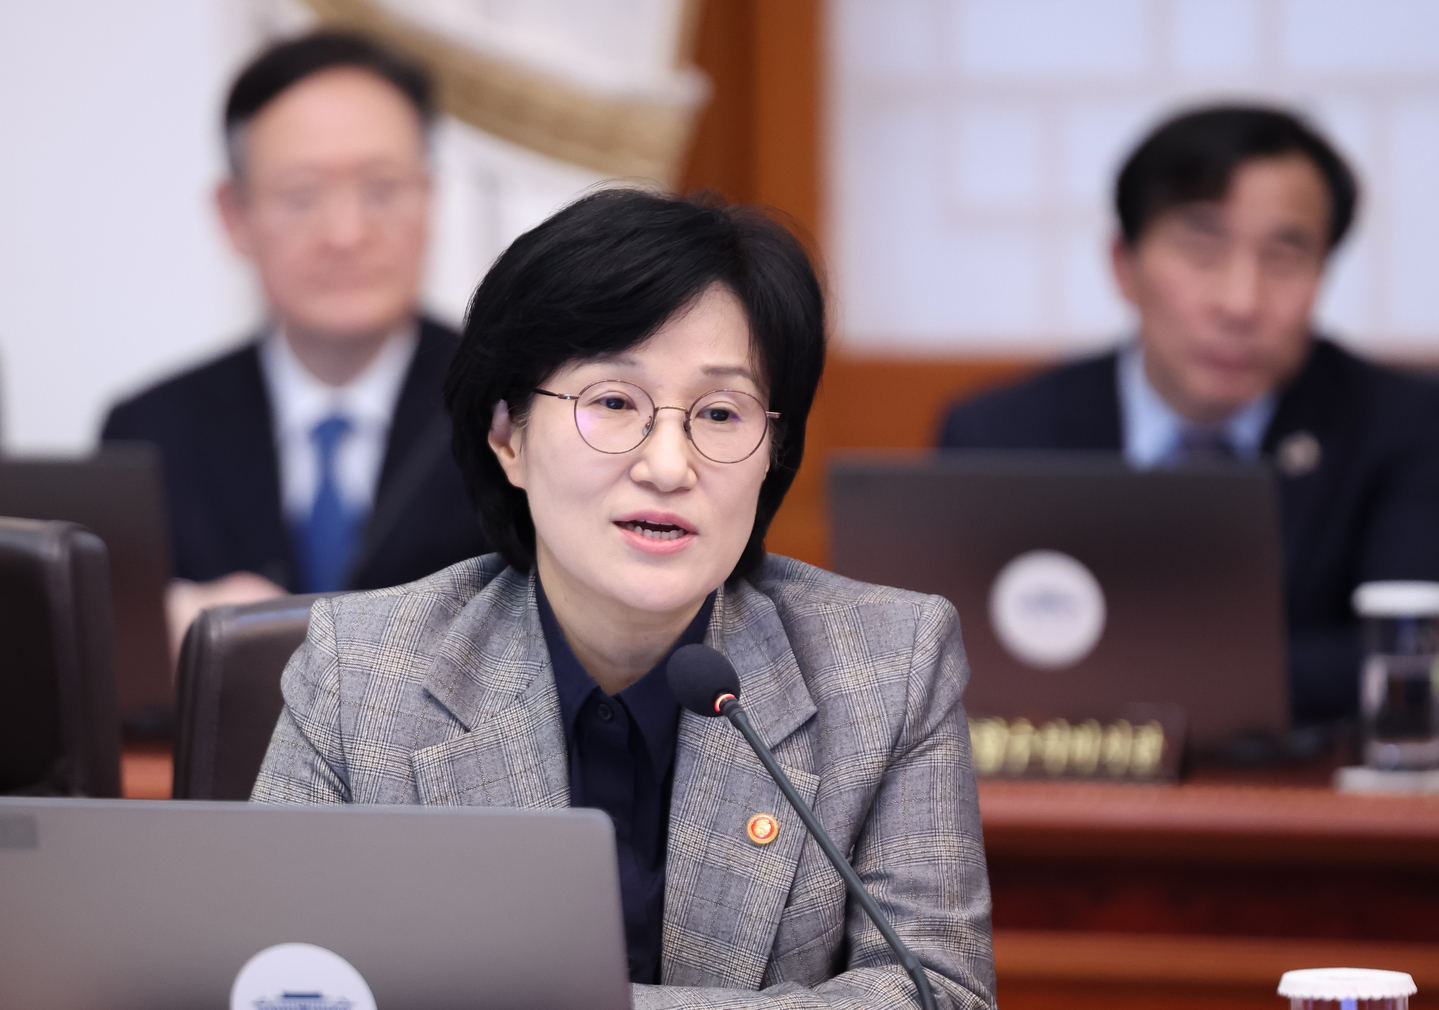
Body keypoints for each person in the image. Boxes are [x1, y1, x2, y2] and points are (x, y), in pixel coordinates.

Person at [252, 189, 997, 1008]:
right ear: (508, 437)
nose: (669, 465)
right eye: (613, 403)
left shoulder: (888, 666)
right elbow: (279, 981)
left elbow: (942, 995)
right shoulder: (363, 674)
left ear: (770, 455)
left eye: (719, 412)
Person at [939, 104, 1439, 727]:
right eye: (1202, 250)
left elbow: (1404, 650)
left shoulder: (1403, 426)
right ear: (1124, 264)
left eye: (1284, 258)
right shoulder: (1001, 434)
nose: (1240, 301)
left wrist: (1132, 675)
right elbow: (958, 661)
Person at [102, 31, 485, 641]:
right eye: (300, 195)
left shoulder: (509, 409)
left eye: (381, 189)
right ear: (234, 216)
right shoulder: (149, 433)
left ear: (430, 200)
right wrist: (147, 634)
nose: (345, 233)